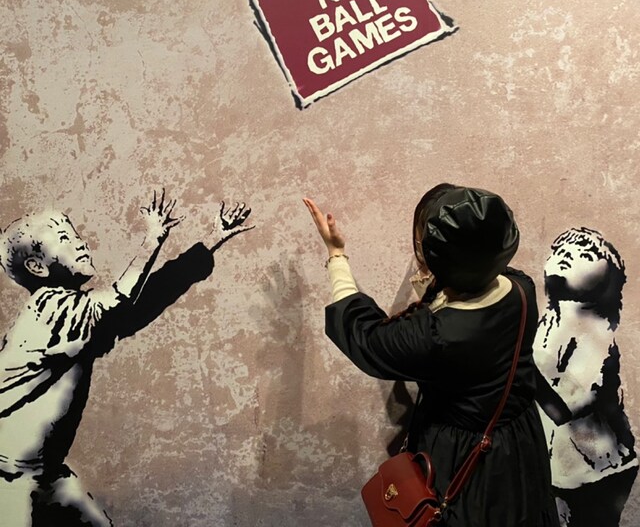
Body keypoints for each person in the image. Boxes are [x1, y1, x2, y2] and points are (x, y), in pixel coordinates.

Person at [303, 184, 560, 527]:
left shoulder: (435, 337)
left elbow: (365, 335)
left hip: (463, 458)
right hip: (519, 442)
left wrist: (336, 254)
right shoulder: (520, 288)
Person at [0, 192, 252, 526]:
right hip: (10, 481)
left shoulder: (76, 323)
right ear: (37, 267)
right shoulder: (48, 310)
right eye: (64, 238)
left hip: (47, 475)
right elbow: (120, 296)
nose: (80, 242)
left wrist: (212, 240)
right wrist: (152, 239)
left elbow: (147, 298)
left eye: (75, 234)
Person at [534, 227, 638, 526]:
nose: (568, 253)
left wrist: (518, 363)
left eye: (587, 253)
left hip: (596, 470)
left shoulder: (598, 330)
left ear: (608, 277)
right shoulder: (548, 322)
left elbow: (566, 406)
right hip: (561, 467)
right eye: (561, 249)